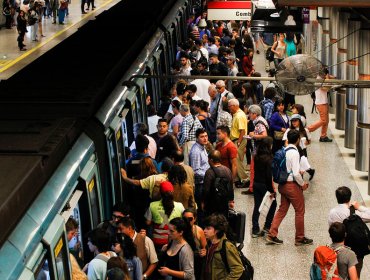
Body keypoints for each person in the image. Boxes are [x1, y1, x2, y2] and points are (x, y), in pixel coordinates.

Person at [266, 130, 312, 246]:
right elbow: (296, 173)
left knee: (282, 210)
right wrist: (303, 184)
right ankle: (300, 238)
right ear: (297, 140)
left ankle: (272, 234)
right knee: (300, 211)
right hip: (292, 186)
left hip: (282, 185)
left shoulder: (284, 150)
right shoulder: (295, 153)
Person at [328, 186, 370, 277]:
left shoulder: (332, 212)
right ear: (349, 198)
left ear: (337, 198)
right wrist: (360, 207)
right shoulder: (353, 214)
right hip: (355, 251)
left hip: (337, 249)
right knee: (355, 274)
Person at [144, 181, 185, 248]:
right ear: (172, 192)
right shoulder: (180, 206)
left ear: (160, 193)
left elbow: (148, 222)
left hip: (157, 242)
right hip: (174, 241)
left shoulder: (152, 205)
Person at [203, 214, 244, 279]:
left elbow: (238, 269)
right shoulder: (209, 242)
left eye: (208, 228)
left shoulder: (227, 246)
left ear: (217, 230)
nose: (204, 230)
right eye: (205, 228)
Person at [251, 137, 277, 237]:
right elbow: (268, 176)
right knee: (273, 204)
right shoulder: (269, 159)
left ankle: (255, 228)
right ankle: (267, 226)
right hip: (265, 185)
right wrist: (271, 190)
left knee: (257, 206)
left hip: (256, 183)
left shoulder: (256, 156)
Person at [243, 104, 269, 195]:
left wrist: (253, 135)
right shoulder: (261, 120)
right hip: (262, 149)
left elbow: (264, 135)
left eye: (250, 113)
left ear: (255, 114)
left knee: (253, 168)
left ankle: (252, 188)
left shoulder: (259, 123)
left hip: (258, 149)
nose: (249, 115)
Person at [282, 114, 315, 180]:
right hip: (293, 151)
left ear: (299, 121)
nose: (294, 122)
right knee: (296, 166)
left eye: (295, 120)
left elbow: (309, 141)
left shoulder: (305, 130)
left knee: (301, 166)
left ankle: (300, 183)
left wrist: (306, 143)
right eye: (292, 121)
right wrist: (291, 146)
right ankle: (310, 172)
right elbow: (285, 142)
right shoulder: (288, 130)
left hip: (302, 151)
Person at [202, 150, 234, 218]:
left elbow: (206, 190)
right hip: (224, 202)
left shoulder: (209, 172)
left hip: (212, 203)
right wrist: (231, 200)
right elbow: (231, 187)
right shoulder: (227, 170)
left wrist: (203, 202)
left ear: (211, 160)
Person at [228, 99, 249, 186]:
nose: (229, 108)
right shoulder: (236, 114)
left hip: (238, 140)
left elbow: (242, 131)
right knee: (237, 160)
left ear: (234, 106)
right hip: (236, 140)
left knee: (237, 160)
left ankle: (245, 179)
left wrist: (239, 143)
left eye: (229, 106)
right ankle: (238, 179)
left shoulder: (239, 116)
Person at [307, 72, 333, 142]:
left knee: (326, 121)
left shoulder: (321, 78)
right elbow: (326, 89)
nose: (325, 75)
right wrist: (328, 78)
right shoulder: (318, 80)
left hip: (324, 102)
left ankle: (323, 136)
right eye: (325, 73)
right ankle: (308, 129)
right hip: (320, 103)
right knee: (323, 120)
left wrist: (330, 77)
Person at [182, 208, 207, 280]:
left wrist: (204, 251)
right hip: (182, 262)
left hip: (196, 263)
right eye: (185, 219)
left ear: (194, 219)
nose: (187, 221)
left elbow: (205, 247)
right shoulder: (179, 229)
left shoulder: (198, 230)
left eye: (190, 219)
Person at [189, 128, 210, 210]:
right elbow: (195, 170)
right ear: (197, 138)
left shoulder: (202, 147)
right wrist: (208, 175)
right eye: (202, 137)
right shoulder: (196, 151)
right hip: (200, 184)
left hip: (205, 182)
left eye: (206, 136)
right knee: (202, 209)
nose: (205, 138)